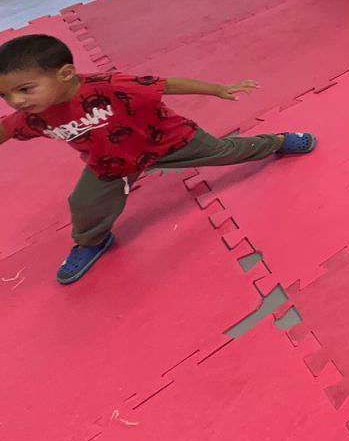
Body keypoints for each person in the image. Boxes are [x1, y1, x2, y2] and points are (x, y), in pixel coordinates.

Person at [0, 34, 315, 286]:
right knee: (83, 204)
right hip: (112, 163)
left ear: (66, 74)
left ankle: (277, 141)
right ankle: (93, 241)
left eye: (25, 90)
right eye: (6, 96)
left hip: (169, 141)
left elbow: (165, 85)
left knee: (227, 152)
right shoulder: (32, 116)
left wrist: (217, 89)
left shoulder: (108, 87)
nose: (17, 101)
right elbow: (6, 128)